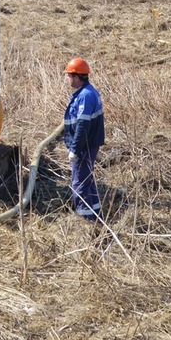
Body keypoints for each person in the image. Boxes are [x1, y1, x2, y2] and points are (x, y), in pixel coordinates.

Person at [63, 57, 105, 221]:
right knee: (87, 182)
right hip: (87, 145)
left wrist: (74, 149)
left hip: (84, 147)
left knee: (79, 184)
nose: (68, 79)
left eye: (69, 76)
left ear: (76, 76)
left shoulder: (85, 96)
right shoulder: (87, 92)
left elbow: (82, 125)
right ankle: (96, 216)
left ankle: (84, 221)